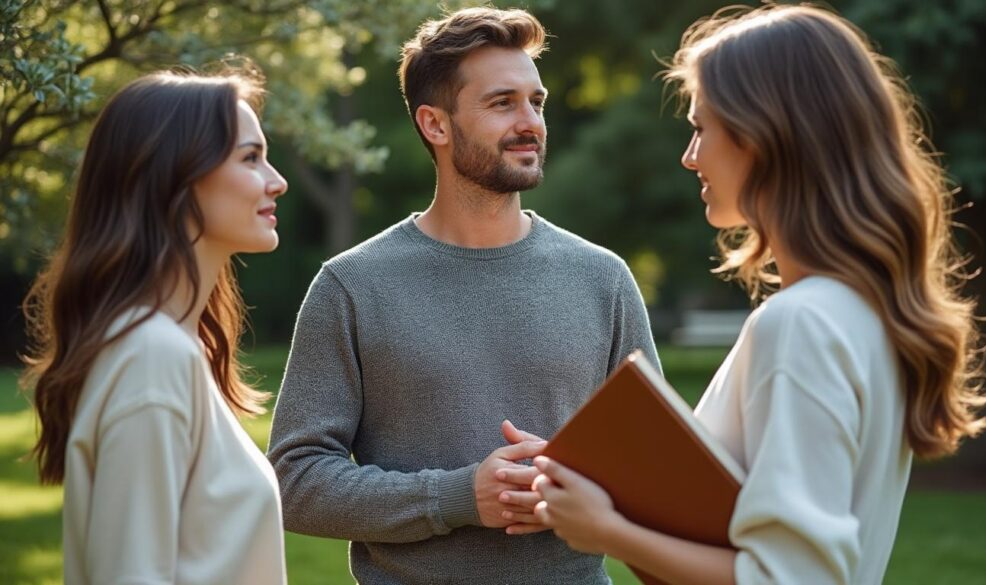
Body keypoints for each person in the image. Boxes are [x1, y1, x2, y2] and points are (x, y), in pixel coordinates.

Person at [531, 5, 986, 585]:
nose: (689, 156)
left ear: (765, 134)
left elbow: (792, 577)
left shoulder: (801, 325)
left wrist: (607, 532)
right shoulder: (863, 312)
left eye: (701, 128)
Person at [266, 6, 658, 584]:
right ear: (436, 124)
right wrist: (456, 497)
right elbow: (294, 480)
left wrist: (575, 479)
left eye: (536, 101)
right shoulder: (352, 286)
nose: (530, 122)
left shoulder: (602, 277)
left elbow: (657, 465)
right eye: (503, 103)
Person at [21, 66, 289, 584]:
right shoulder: (154, 356)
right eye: (250, 158)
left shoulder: (168, 348)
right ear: (176, 176)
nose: (276, 181)